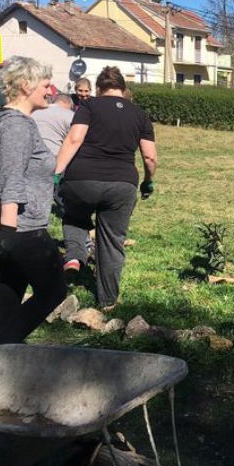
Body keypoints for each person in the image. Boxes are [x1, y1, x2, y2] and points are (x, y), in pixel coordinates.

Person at [0, 56, 67, 344]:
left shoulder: (7, 120)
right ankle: (2, 350)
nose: (51, 90)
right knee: (53, 291)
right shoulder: (17, 127)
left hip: (3, 223)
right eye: (46, 84)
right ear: (26, 85)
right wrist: (8, 232)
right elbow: (11, 179)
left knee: (10, 288)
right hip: (18, 227)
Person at [55, 66, 157, 311]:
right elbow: (149, 157)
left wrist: (57, 172)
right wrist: (148, 181)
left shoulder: (89, 106)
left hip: (82, 180)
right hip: (122, 184)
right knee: (112, 242)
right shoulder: (139, 114)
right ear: (123, 88)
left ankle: (74, 257)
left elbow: (74, 139)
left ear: (99, 88)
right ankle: (108, 301)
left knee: (74, 217)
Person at [31, 92, 75, 218]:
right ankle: (69, 213)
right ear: (68, 105)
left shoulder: (35, 112)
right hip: (55, 156)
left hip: (33, 155)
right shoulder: (69, 115)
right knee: (58, 188)